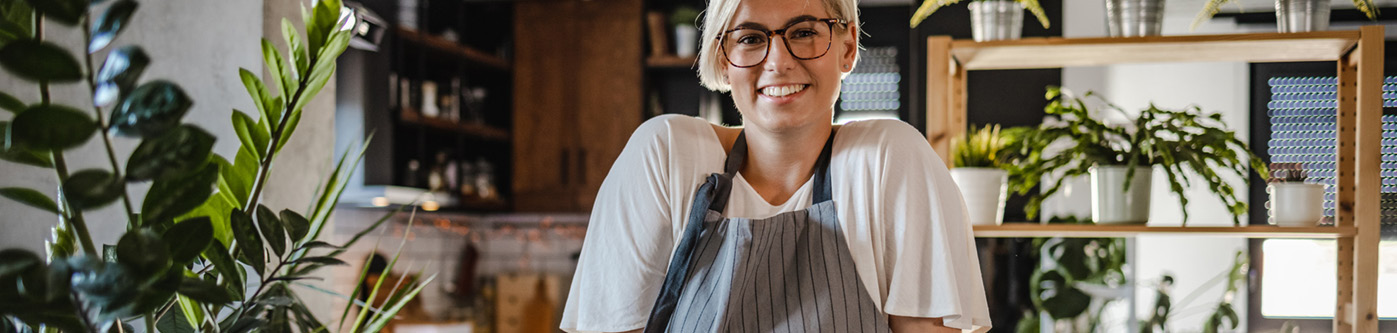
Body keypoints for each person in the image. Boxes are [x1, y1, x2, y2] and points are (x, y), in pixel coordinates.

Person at [560, 0, 989, 331]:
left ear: (848, 46)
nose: (779, 61)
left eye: (803, 32)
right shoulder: (666, 155)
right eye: (750, 38)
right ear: (723, 60)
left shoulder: (889, 161)